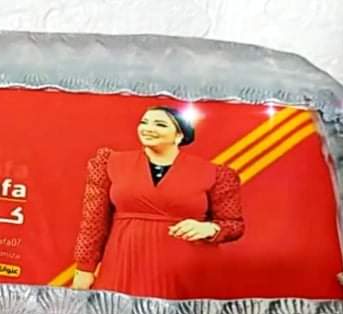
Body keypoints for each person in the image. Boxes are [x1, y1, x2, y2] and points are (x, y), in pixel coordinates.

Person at [72, 105, 244, 299]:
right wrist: (84, 268)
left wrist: (210, 228)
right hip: (124, 261)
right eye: (144, 122)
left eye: (160, 124)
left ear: (179, 136)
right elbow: (93, 222)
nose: (148, 128)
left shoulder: (215, 174)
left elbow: (234, 225)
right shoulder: (110, 163)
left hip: (186, 268)